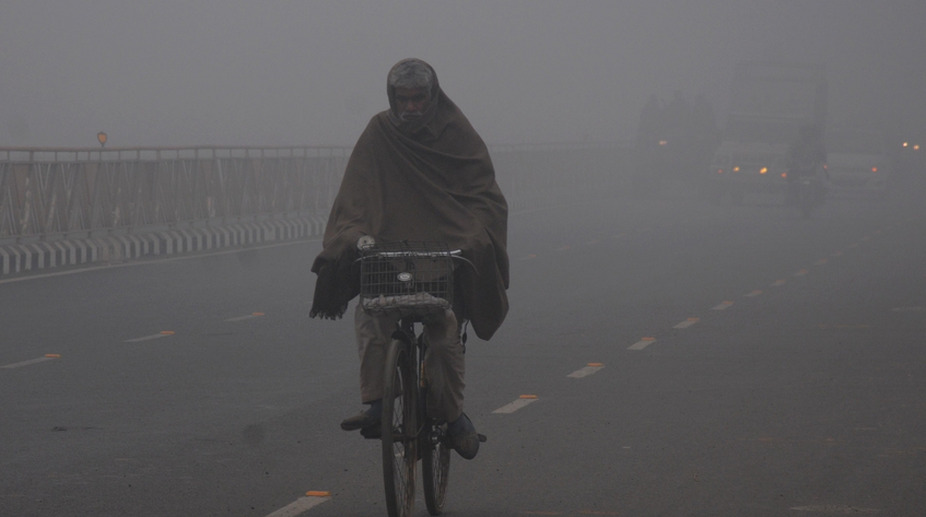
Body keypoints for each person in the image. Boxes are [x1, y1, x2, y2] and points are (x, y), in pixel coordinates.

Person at [309, 58, 509, 460]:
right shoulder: (379, 132)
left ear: (433, 97)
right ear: (392, 98)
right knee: (371, 314)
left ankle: (453, 418)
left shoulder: (457, 134)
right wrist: (353, 235)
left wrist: (474, 237)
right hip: (388, 252)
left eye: (419, 99)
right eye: (404, 99)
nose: (412, 107)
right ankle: (378, 404)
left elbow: (484, 197)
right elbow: (355, 197)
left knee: (443, 330)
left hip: (442, 255)